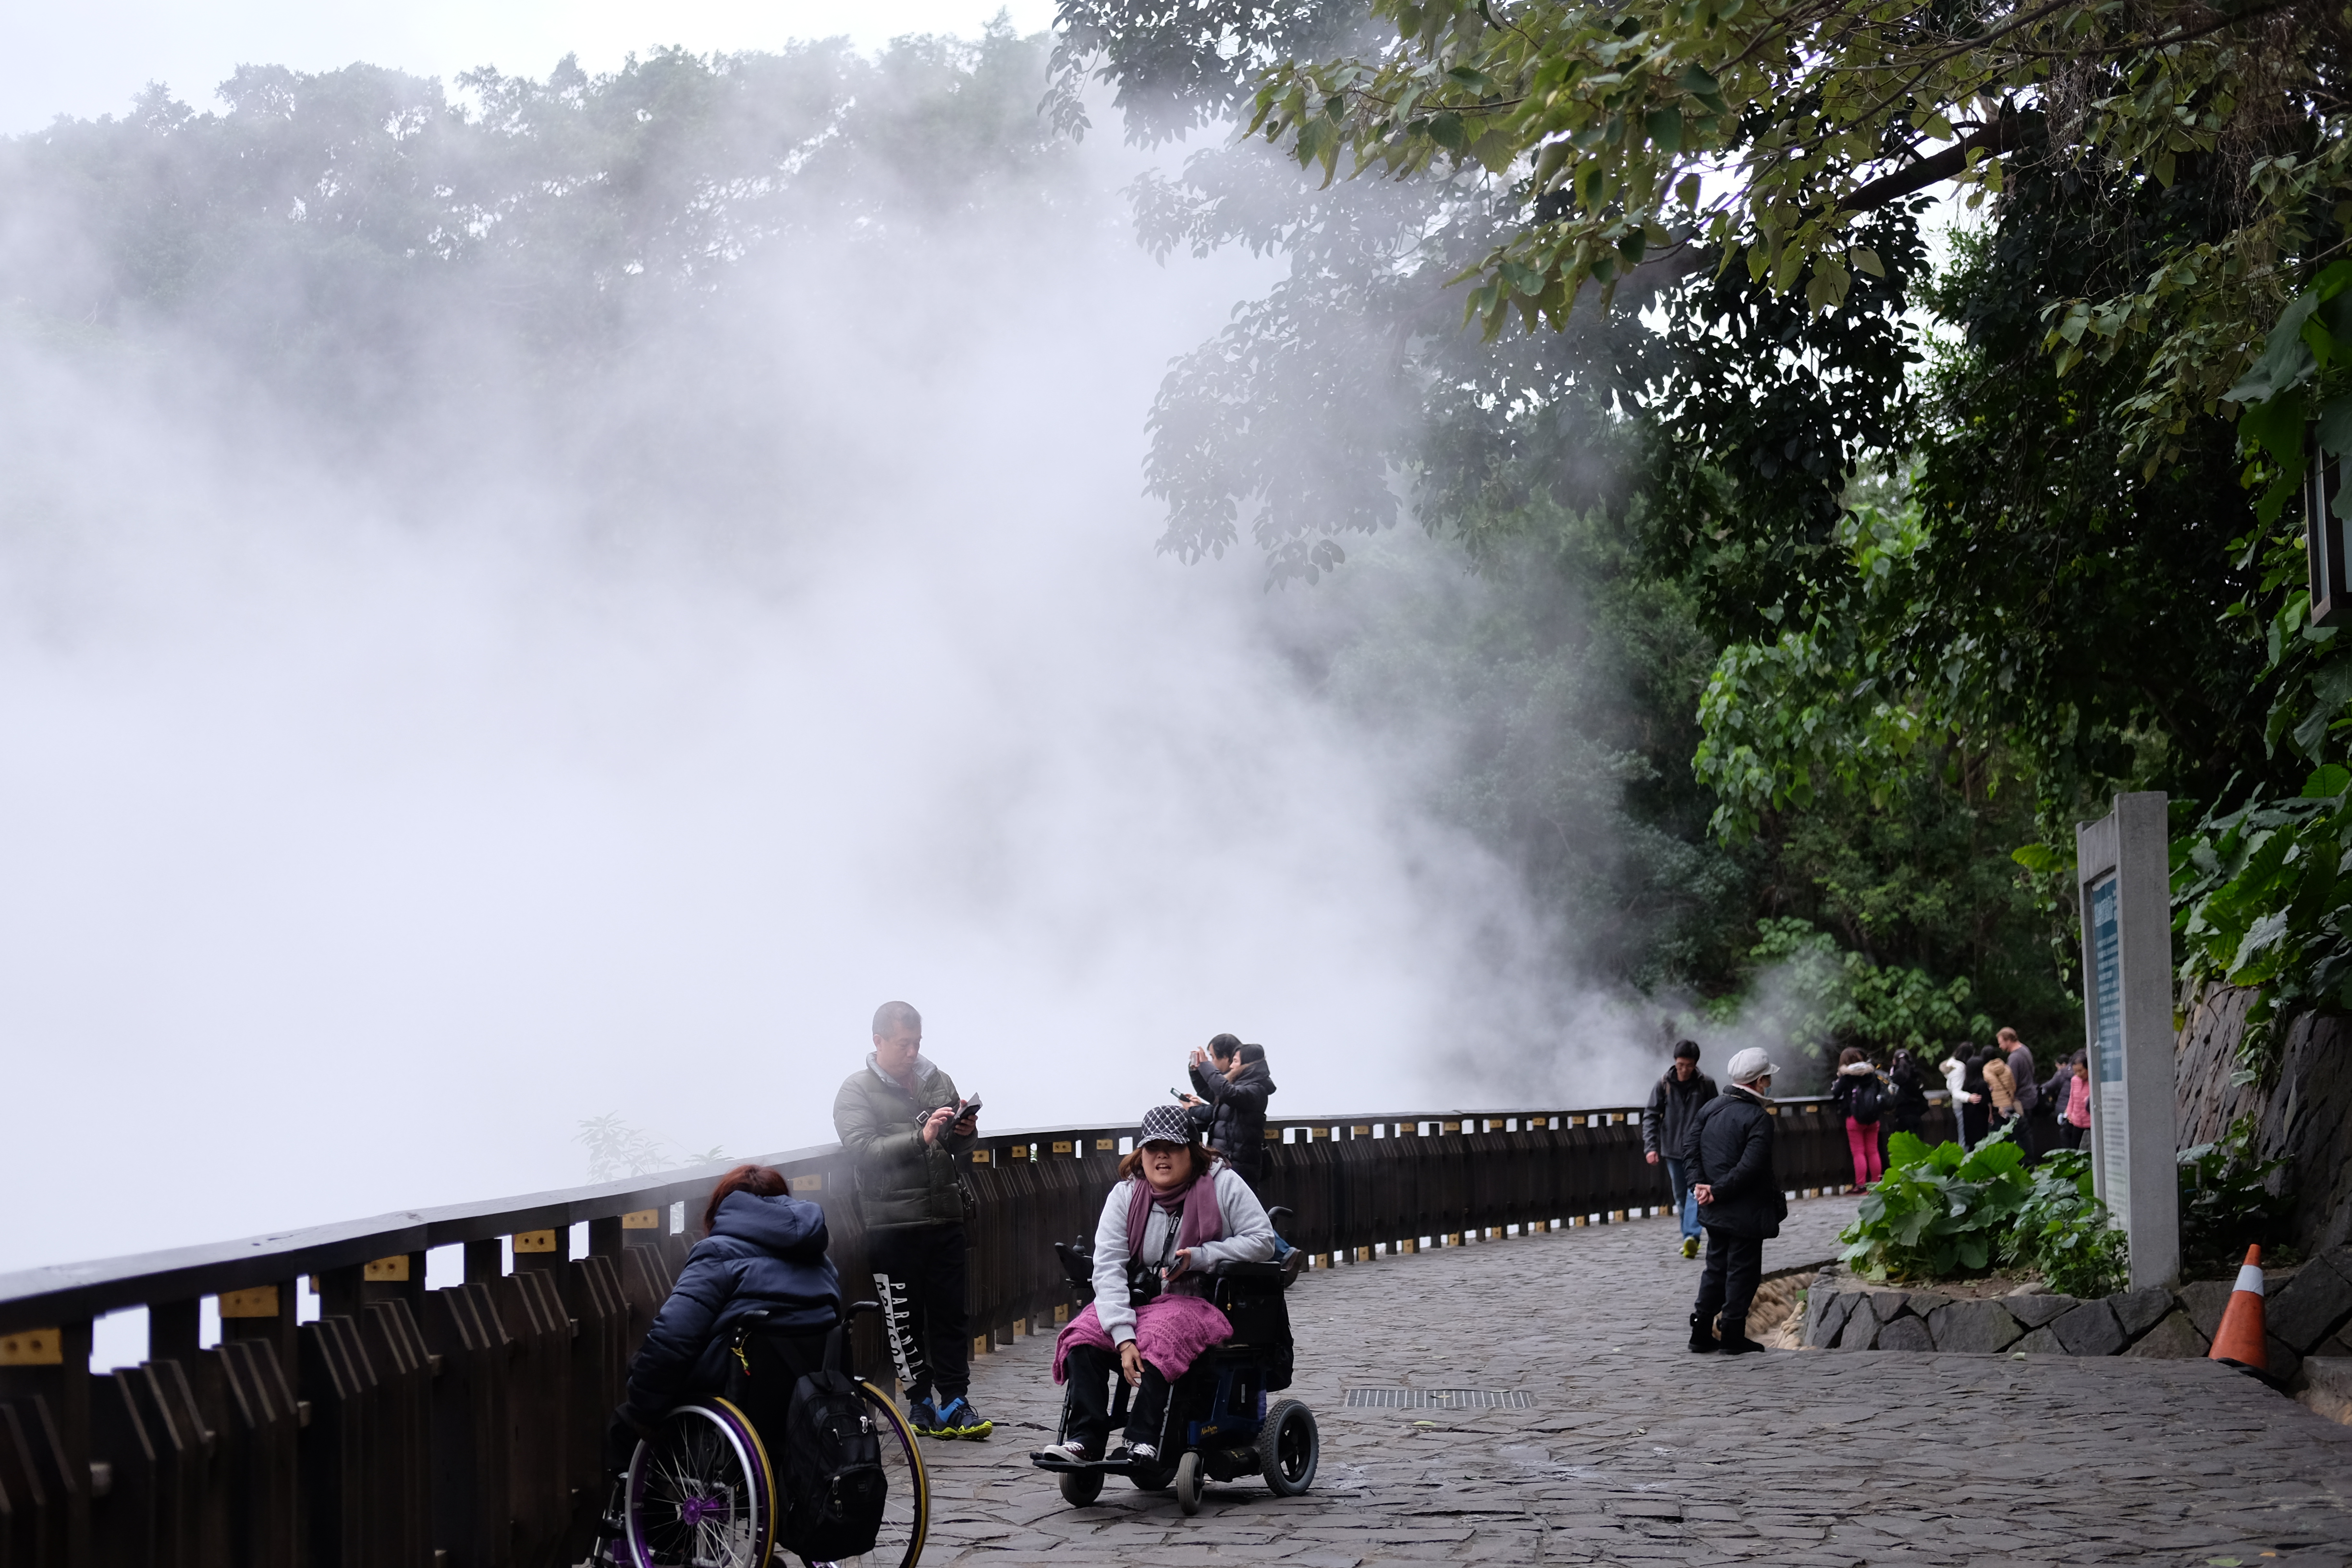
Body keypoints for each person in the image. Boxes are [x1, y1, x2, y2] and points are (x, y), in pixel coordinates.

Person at [1032, 1105, 1276, 1465]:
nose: (1162, 1156)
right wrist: (1123, 1337)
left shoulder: (1223, 1184)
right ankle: (1084, 1439)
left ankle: (1144, 1440)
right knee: (1082, 1334)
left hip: (1199, 1301)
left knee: (1162, 1335)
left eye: (1172, 1147)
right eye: (1153, 1148)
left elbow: (1263, 1240)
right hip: (1141, 1299)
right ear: (1141, 1153)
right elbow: (1108, 1267)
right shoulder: (1126, 1195)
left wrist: (1202, 1255)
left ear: (1192, 1151)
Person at [832, 1000, 992, 1440]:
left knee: (951, 1314)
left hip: (945, 1216)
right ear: (878, 1041)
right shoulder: (856, 1090)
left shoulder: (937, 1079)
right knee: (903, 1319)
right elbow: (863, 1151)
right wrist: (921, 1137)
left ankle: (956, 1401)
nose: (912, 1052)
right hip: (892, 1224)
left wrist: (964, 1133)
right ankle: (919, 1402)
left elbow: (955, 1149)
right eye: (904, 1044)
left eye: (917, 1043)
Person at [609, 1164, 839, 1459]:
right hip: (812, 1398)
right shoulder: (817, 1256)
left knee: (625, 1421)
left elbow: (672, 1338)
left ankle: (639, 1489)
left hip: (740, 1399)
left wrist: (643, 1410)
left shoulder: (717, 1253)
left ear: (723, 1207)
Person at [1680, 1046, 1787, 1355]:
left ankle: (1701, 1331)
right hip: (1746, 1210)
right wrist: (1717, 1190)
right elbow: (1750, 1168)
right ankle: (1732, 1334)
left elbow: (1690, 1149)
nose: (1769, 1083)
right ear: (1758, 1081)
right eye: (1767, 1078)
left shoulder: (1710, 1108)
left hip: (1714, 1209)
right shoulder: (1758, 1118)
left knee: (1715, 1268)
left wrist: (1700, 1187)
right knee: (1743, 1271)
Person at [1641, 1041, 1717, 1260]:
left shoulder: (1706, 1084)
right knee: (1681, 1197)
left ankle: (1692, 1235)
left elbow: (1716, 1115)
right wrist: (1651, 1147)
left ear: (1696, 1064)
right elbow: (1651, 1116)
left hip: (1699, 1150)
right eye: (1681, 1065)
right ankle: (1688, 1239)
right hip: (1673, 1150)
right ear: (1675, 1062)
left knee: (1695, 1192)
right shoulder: (1664, 1084)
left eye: (1689, 1065)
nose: (1684, 1070)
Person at [1826, 1047, 1886, 1189]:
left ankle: (1861, 1185)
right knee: (1873, 1151)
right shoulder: (1872, 1074)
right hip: (1873, 1118)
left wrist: (1839, 1079)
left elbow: (1836, 1093)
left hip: (1854, 1118)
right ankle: (1876, 1184)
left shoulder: (1847, 1077)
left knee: (1859, 1152)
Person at [2000, 1027, 2041, 1158]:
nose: (2000, 1046)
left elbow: (2011, 1085)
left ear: (2008, 1040)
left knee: (2022, 1136)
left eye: (2001, 1042)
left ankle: (2027, 1163)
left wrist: (2004, 1105)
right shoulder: (2025, 1050)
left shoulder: (2014, 1058)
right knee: (2027, 1133)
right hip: (2031, 1097)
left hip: (2021, 1102)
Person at [1937, 1050, 1979, 1150]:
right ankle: (1963, 1154)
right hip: (1961, 1106)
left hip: (1961, 1105)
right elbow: (1956, 1092)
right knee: (1963, 1134)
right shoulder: (1958, 1069)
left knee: (1964, 1133)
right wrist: (1969, 1097)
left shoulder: (1954, 1067)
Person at [1886, 1049, 1929, 1142]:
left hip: (1902, 1116)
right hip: (1917, 1115)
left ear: (1894, 1061)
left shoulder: (1896, 1077)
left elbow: (1890, 1094)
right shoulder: (1916, 1074)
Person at [2058, 1054, 2092, 1150]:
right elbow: (2072, 1098)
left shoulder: (2094, 1082)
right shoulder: (2075, 1080)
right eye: (2075, 1071)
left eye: (2081, 1071)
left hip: (2090, 1124)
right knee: (2075, 1149)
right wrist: (2069, 1113)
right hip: (2076, 1122)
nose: (2078, 1074)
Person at [1982, 1050, 2019, 1132]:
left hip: (1997, 1108)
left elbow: (1986, 1090)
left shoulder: (1985, 1071)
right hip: (2009, 1104)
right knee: (2011, 1132)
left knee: (1998, 1134)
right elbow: (2013, 1087)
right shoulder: (2006, 1068)